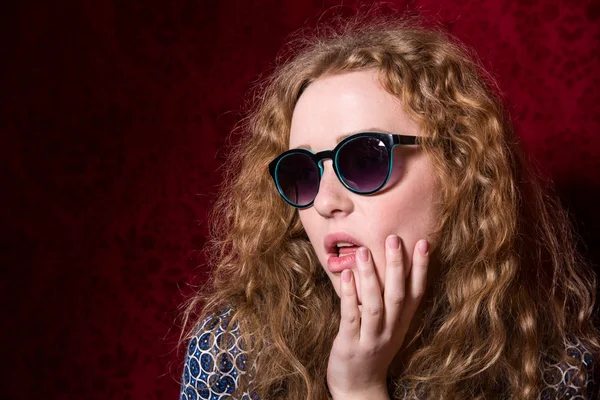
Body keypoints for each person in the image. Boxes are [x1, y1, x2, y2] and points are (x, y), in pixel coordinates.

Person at [178, 14, 599, 400]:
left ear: (459, 168)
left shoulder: (552, 365)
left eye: (364, 160)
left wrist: (359, 390)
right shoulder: (231, 349)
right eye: (303, 172)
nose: (325, 203)